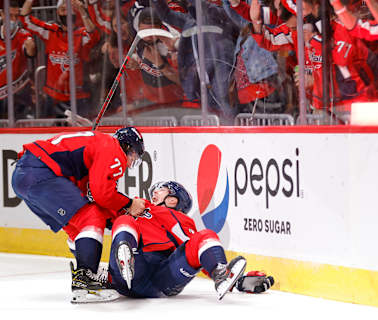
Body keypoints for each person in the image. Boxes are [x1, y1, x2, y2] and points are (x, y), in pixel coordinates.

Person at [11, 126, 147, 303]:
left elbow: (93, 196)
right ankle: (85, 278)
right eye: (133, 156)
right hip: (41, 172)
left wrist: (112, 218)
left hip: (25, 175)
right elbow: (102, 194)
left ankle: (87, 273)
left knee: (77, 228)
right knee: (91, 217)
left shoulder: (98, 144)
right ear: (127, 147)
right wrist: (129, 204)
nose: (130, 162)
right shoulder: (113, 148)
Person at [108, 181, 274, 301]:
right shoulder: (138, 204)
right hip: (136, 265)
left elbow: (194, 249)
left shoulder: (176, 217)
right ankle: (123, 259)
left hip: (160, 277)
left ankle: (222, 274)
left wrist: (238, 281)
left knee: (204, 236)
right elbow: (105, 214)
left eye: (162, 189)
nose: (155, 192)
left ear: (173, 200)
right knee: (124, 221)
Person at [19, 0, 101, 118]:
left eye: (71, 9)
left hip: (79, 97)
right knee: (49, 132)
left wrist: (83, 11)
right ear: (57, 13)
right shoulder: (51, 31)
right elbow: (25, 19)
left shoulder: (82, 33)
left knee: (80, 132)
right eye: (63, 9)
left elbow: (93, 35)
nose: (67, 13)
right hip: (53, 97)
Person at [0, 0, 36, 119]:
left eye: (16, 16)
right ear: (2, 14)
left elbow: (30, 51)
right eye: (10, 16)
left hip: (18, 94)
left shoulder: (22, 34)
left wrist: (30, 46)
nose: (13, 20)